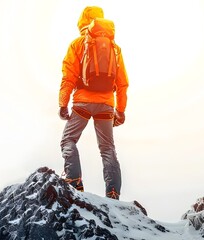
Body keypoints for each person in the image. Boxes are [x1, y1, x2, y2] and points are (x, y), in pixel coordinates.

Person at [58, 6, 129, 200]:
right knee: (107, 148)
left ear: (82, 22)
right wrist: (120, 111)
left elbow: (68, 77)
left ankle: (73, 180)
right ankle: (113, 192)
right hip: (107, 105)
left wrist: (63, 104)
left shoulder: (78, 44)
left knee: (68, 140)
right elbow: (122, 82)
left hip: (82, 103)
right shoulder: (114, 48)